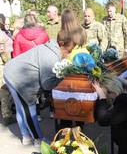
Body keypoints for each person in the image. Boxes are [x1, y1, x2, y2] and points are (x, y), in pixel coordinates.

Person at [3, 10, 87, 146]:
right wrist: (62, 75)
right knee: (28, 108)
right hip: (15, 77)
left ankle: (26, 136)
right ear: (62, 44)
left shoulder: (53, 46)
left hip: (12, 70)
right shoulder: (51, 57)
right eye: (69, 50)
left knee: (21, 107)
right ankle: (37, 140)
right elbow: (47, 85)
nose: (69, 52)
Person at [0, 16, 14, 126]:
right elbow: (5, 54)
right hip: (2, 65)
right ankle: (7, 116)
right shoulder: (2, 36)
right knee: (4, 90)